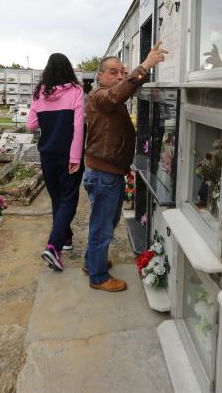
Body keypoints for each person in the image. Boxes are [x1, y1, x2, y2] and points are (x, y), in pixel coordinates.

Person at [83, 41, 168, 291]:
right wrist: (144, 67)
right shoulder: (100, 95)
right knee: (102, 227)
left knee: (104, 224)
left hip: (110, 172)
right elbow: (116, 94)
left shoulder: (107, 96)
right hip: (103, 174)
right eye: (113, 71)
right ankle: (98, 277)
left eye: (122, 71)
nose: (119, 75)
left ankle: (92, 262)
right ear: (100, 76)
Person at [26, 53, 84, 271]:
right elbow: (78, 128)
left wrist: (39, 109)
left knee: (57, 199)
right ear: (68, 69)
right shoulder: (76, 91)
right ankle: (53, 246)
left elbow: (30, 125)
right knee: (68, 201)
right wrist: (76, 157)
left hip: (47, 155)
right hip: (69, 154)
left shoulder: (39, 93)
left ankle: (66, 239)